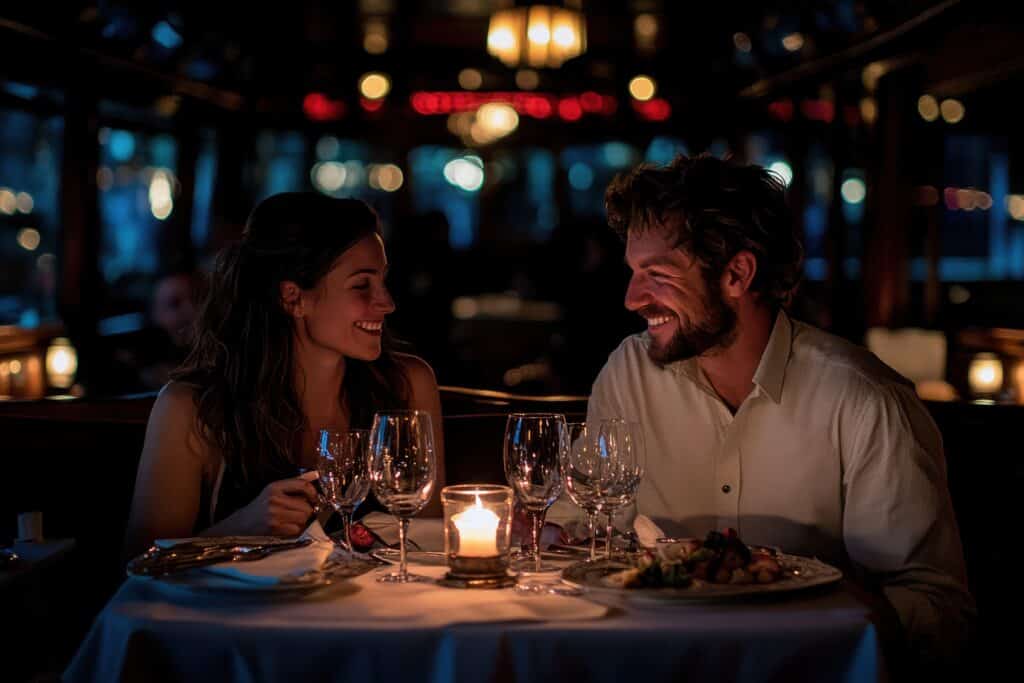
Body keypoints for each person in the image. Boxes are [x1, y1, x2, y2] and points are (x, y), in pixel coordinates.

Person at [584, 154, 973, 670]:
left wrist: (796, 626)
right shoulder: (629, 374)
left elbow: (937, 611)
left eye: (656, 274)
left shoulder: (862, 398)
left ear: (737, 274)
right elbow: (580, 536)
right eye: (634, 272)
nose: (633, 297)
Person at [123, 193, 445, 560]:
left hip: (374, 615)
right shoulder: (192, 406)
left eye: (383, 281)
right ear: (293, 298)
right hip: (240, 617)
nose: (387, 302)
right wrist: (240, 529)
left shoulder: (406, 385)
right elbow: (140, 565)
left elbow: (425, 546)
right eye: (361, 285)